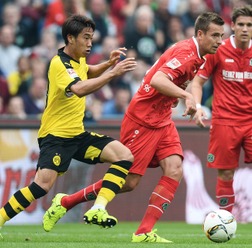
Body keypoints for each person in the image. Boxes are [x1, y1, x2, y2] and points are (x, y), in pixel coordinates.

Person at [42, 12, 225, 243]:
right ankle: (66, 202)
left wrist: (187, 102)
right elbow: (158, 80)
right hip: (143, 118)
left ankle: (143, 232)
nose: (220, 40)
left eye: (222, 35)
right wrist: (185, 96)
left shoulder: (199, 54)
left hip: (162, 117)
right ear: (200, 34)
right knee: (128, 182)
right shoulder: (187, 54)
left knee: (175, 168)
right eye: (215, 35)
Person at [0, 14, 137, 237]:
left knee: (124, 156)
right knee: (41, 186)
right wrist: (113, 73)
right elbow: (80, 88)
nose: (90, 43)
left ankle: (98, 209)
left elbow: (87, 72)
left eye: (92, 38)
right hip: (55, 136)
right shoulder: (58, 63)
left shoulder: (79, 59)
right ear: (70, 38)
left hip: (77, 135)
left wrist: (108, 64)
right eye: (86, 38)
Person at [191, 5, 252, 214]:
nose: (245, 29)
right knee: (225, 174)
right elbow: (197, 83)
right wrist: (198, 107)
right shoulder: (219, 50)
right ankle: (225, 220)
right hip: (224, 121)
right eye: (241, 24)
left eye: (249, 25)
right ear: (232, 26)